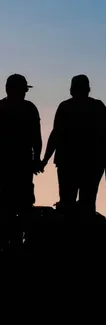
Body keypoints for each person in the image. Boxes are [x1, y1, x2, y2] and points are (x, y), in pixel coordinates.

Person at [41, 74, 106, 215]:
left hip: (68, 163)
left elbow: (55, 135)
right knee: (88, 203)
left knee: (68, 204)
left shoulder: (65, 107)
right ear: (88, 89)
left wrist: (45, 160)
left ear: (72, 89)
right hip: (92, 163)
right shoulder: (98, 107)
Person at [0, 73, 42, 217]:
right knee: (19, 205)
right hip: (19, 164)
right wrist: (36, 159)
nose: (25, 93)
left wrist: (36, 158)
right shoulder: (29, 109)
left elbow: (37, 139)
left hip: (17, 164)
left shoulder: (2, 107)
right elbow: (37, 138)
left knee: (11, 205)